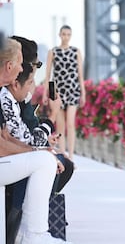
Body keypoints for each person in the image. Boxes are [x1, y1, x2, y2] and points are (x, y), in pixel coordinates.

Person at [0, 36, 73, 244]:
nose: (23, 69)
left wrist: (38, 150)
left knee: (47, 159)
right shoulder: (5, 97)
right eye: (21, 63)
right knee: (45, 162)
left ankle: (31, 232)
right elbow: (3, 144)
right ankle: (31, 234)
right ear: (10, 66)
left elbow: (5, 138)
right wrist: (38, 149)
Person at [43, 25, 86, 161]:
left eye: (68, 34)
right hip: (57, 91)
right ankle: (62, 155)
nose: (66, 37)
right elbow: (48, 75)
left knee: (71, 124)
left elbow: (80, 74)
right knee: (60, 124)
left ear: (71, 36)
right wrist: (47, 94)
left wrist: (83, 93)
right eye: (63, 34)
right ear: (59, 35)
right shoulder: (53, 52)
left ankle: (71, 157)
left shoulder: (76, 51)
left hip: (73, 89)